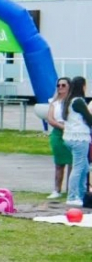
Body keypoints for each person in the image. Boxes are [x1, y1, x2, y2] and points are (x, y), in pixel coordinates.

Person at [60, 76, 92, 206]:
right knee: (78, 167)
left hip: (70, 136)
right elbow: (89, 119)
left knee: (84, 166)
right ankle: (72, 196)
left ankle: (82, 193)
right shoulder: (78, 101)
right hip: (79, 137)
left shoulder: (68, 100)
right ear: (82, 86)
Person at [46, 78, 73, 200]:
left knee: (72, 163)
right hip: (58, 132)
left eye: (63, 85)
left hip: (71, 132)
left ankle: (70, 188)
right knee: (59, 163)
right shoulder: (54, 102)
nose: (60, 87)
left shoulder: (72, 102)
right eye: (58, 85)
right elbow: (50, 118)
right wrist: (61, 126)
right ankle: (57, 189)